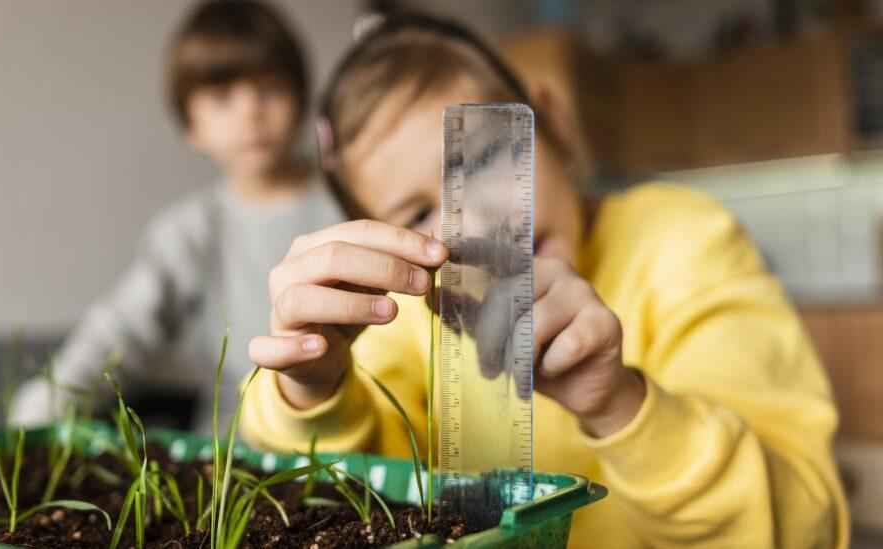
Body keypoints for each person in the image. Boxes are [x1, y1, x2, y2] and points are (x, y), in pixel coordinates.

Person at [240, 14, 848, 548]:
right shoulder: (409, 317)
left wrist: (620, 404)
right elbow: (342, 506)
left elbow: (804, 531)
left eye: (482, 160)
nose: (478, 224)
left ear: (552, 123)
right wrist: (312, 390)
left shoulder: (684, 239)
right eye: (420, 215)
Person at [10, 0, 342, 431]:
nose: (250, 112)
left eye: (270, 89)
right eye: (223, 97)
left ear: (301, 100)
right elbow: (121, 328)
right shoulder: (188, 231)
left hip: (345, 439)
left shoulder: (348, 206)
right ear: (191, 124)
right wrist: (49, 407)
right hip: (229, 457)